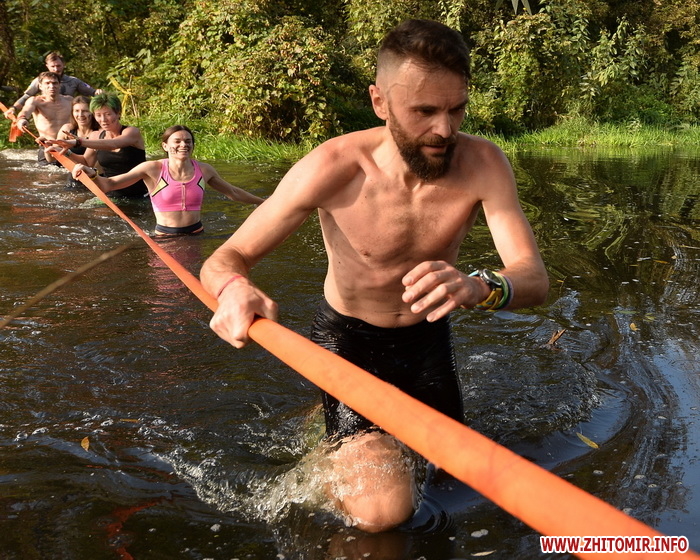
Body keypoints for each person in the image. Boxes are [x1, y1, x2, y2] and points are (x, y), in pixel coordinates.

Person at [200, 19, 549, 532]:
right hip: (348, 343)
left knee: (453, 479)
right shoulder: (333, 166)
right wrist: (234, 290)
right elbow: (226, 258)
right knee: (382, 514)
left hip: (427, 341)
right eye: (424, 111)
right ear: (380, 101)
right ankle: (332, 445)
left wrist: (479, 286)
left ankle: (343, 434)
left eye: (456, 109)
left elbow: (533, 278)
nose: (445, 130)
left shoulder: (483, 163)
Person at [69, 125, 264, 235]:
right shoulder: (152, 169)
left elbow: (233, 192)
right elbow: (108, 185)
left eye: (188, 141)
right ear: (165, 146)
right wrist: (91, 173)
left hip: (196, 235)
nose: (183, 145)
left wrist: (264, 203)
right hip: (165, 239)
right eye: (177, 141)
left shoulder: (204, 170)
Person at [47, 92, 149, 197]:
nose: (103, 120)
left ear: (118, 113)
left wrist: (78, 141)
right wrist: (66, 153)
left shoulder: (132, 132)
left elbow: (113, 144)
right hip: (110, 194)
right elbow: (87, 162)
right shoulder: (95, 135)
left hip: (140, 195)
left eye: (108, 114)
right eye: (98, 115)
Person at [3, 51, 102, 118]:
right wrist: (13, 108)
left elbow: (93, 92)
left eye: (58, 66)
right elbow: (26, 96)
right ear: (47, 66)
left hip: (68, 117)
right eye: (53, 66)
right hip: (48, 117)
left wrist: (98, 92)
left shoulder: (73, 81)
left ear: (63, 64)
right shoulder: (39, 81)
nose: (56, 69)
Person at [15, 71, 72, 166]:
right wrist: (22, 119)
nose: (51, 86)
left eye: (54, 83)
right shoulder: (35, 101)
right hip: (46, 145)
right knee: (46, 174)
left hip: (67, 145)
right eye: (47, 83)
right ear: (40, 86)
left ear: (60, 85)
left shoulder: (69, 100)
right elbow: (25, 111)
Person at [44, 95, 99, 186]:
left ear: (92, 112)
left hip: (94, 178)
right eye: (76, 111)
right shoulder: (67, 129)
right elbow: (51, 159)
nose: (80, 115)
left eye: (85, 111)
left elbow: (89, 164)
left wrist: (67, 151)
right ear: (72, 113)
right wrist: (47, 147)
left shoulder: (98, 133)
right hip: (73, 176)